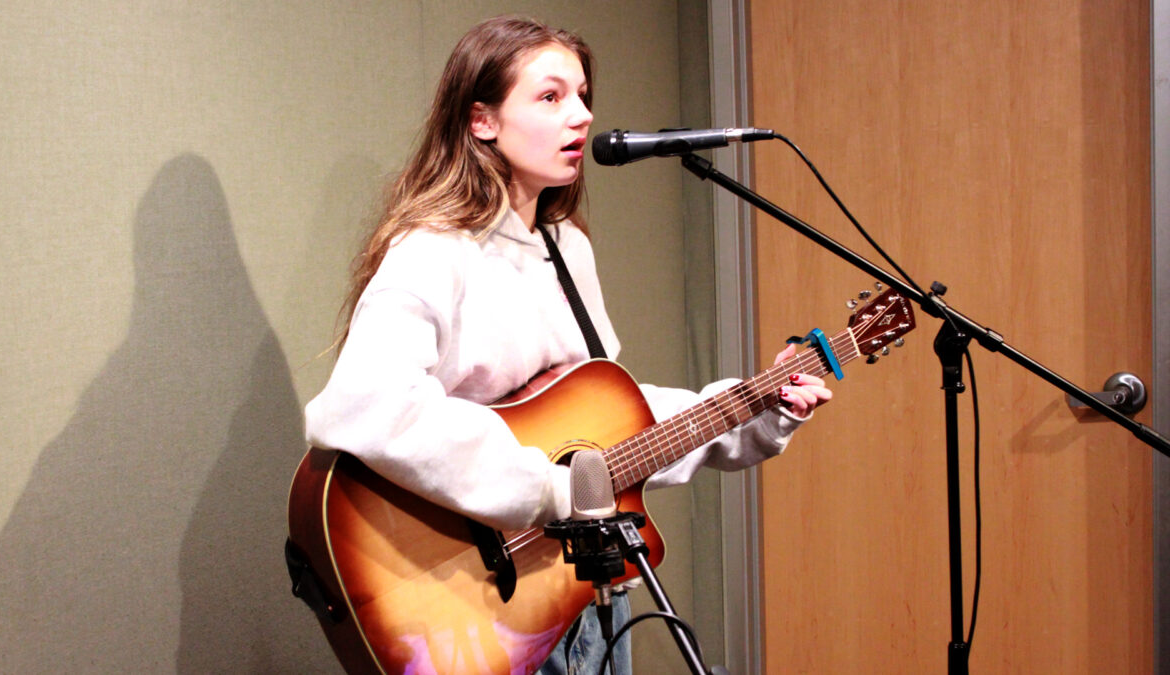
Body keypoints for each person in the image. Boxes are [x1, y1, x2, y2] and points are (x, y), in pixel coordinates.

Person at [303, 15, 832, 675]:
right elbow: (368, 403)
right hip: (482, 610)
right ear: (482, 121)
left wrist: (756, 405)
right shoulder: (432, 251)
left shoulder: (567, 248)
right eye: (551, 97)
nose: (580, 116)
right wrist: (548, 489)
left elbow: (608, 428)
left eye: (583, 95)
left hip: (584, 597)